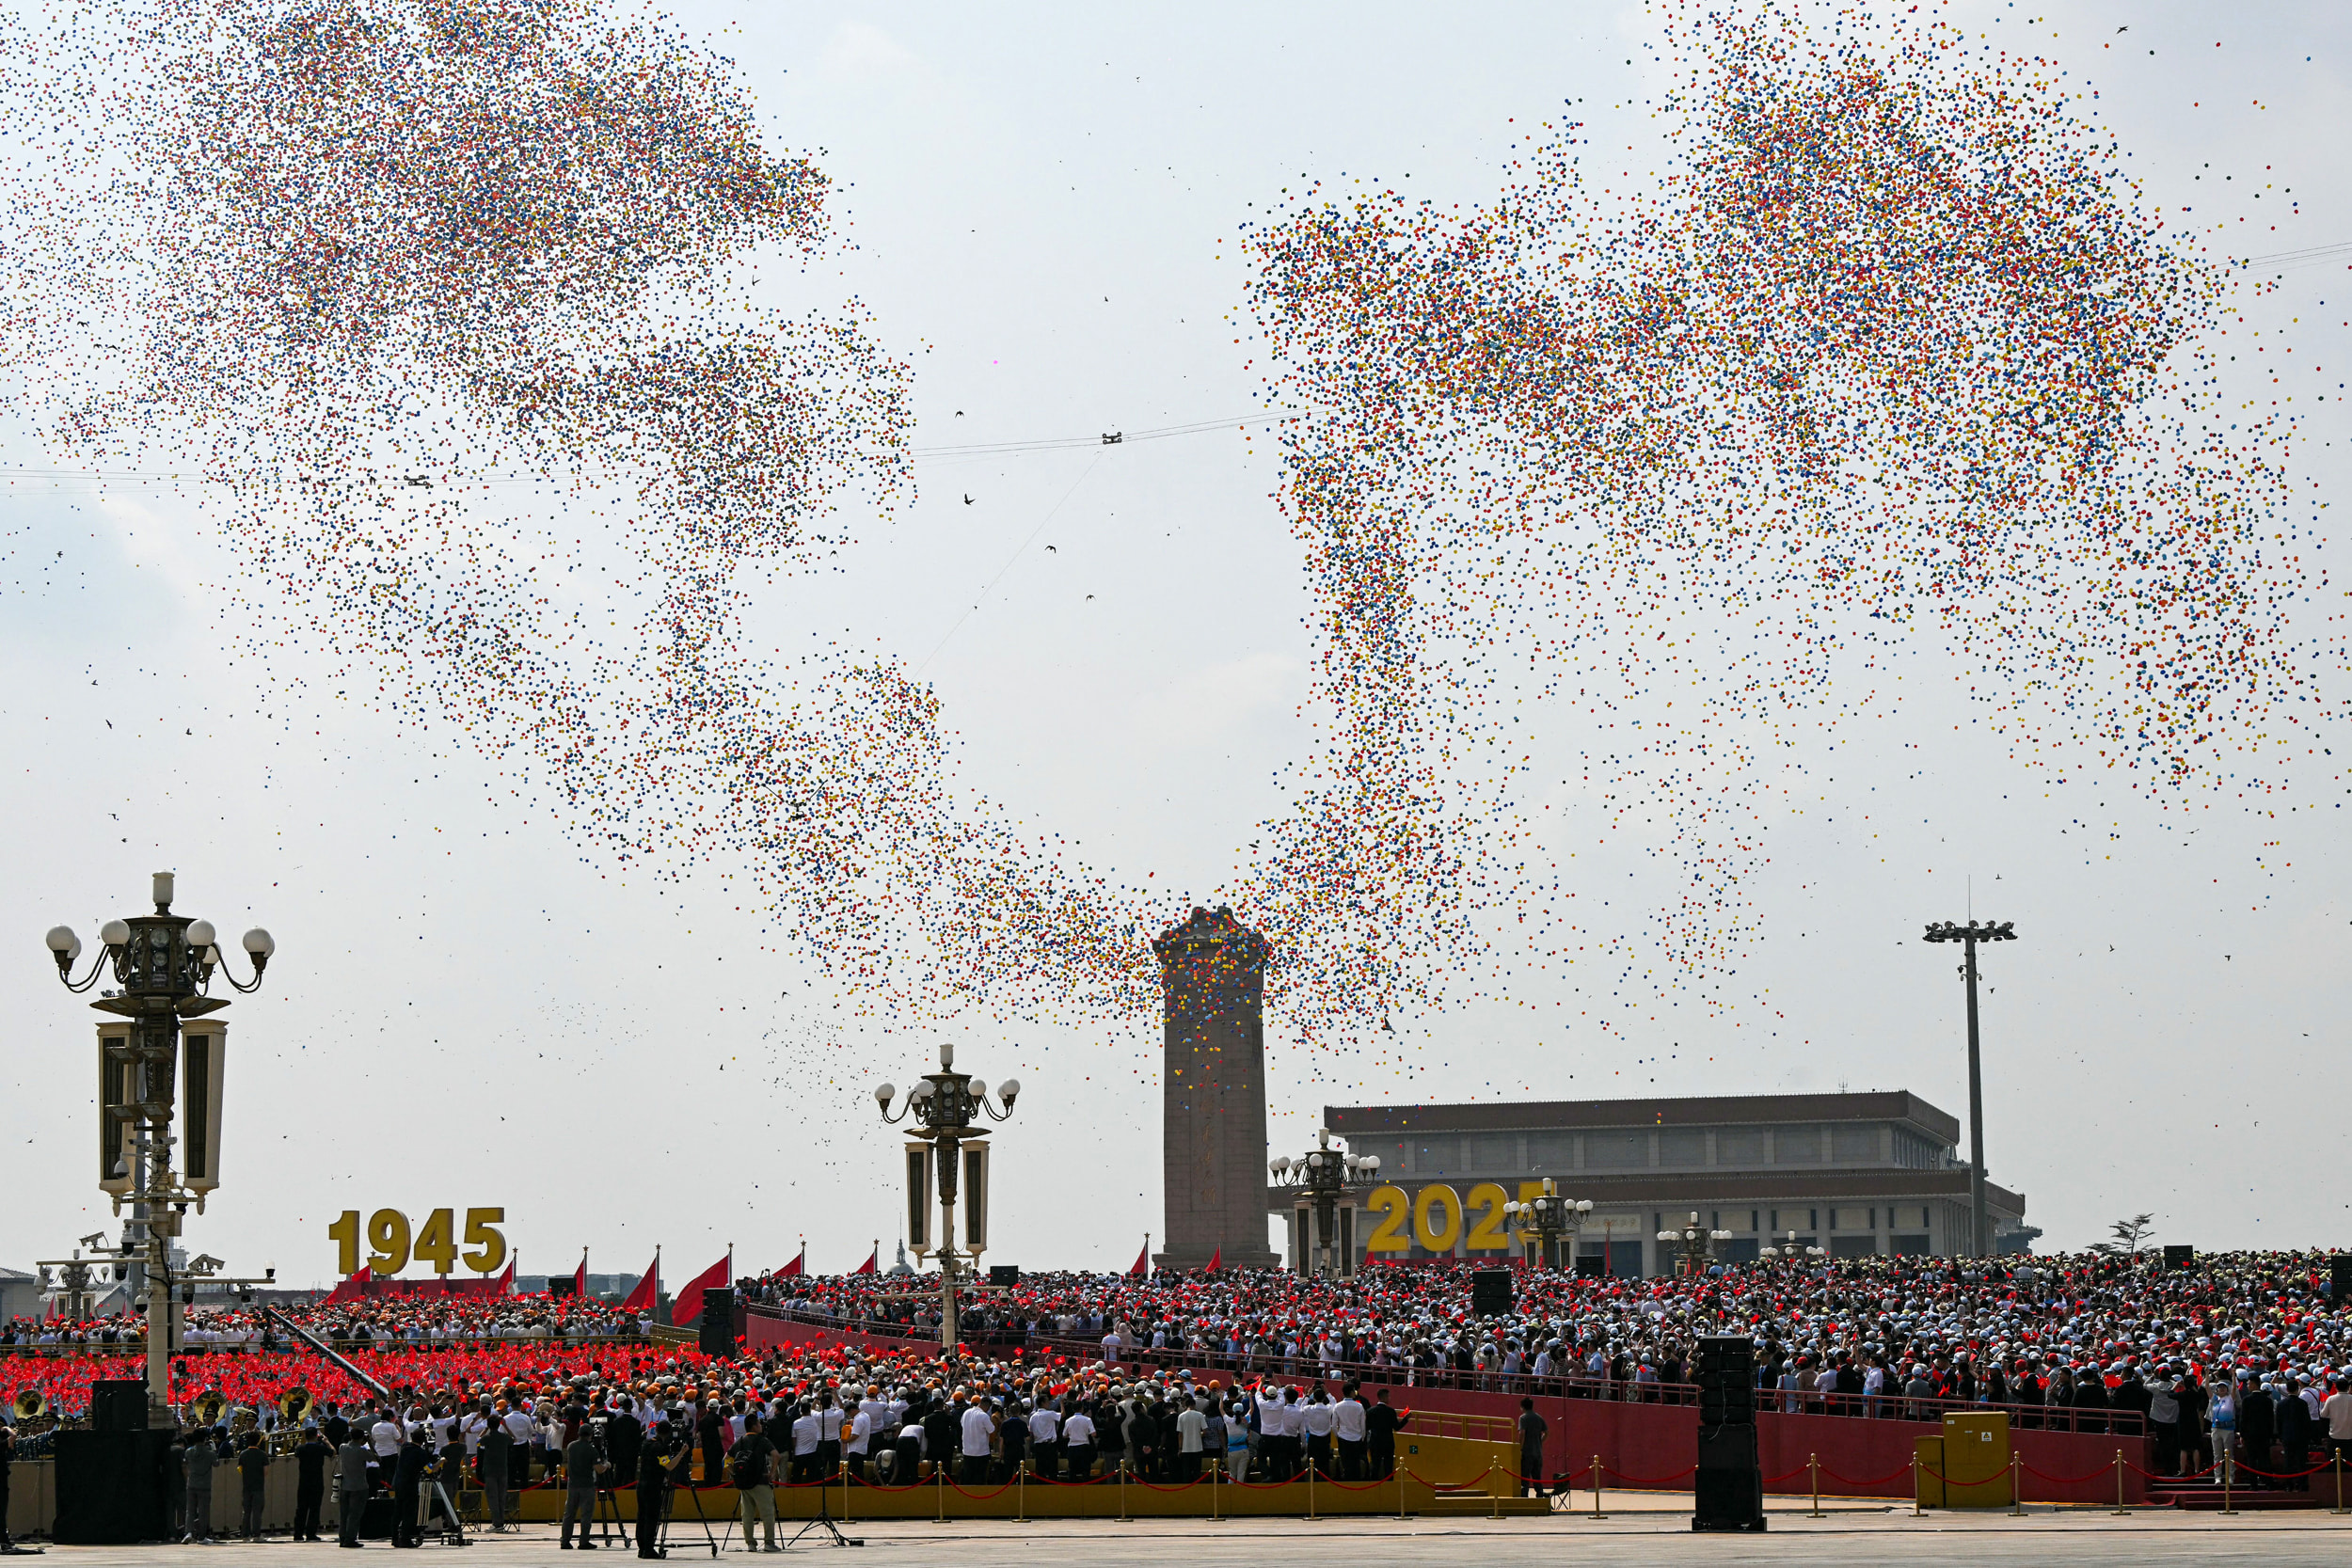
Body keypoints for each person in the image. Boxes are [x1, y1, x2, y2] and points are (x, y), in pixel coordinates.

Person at [635, 1419, 693, 1560]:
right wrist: (681, 1453)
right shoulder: (661, 1448)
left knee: (641, 1516)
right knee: (652, 1517)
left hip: (641, 1485)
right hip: (653, 1487)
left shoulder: (646, 1444)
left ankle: (642, 1547)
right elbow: (669, 1466)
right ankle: (648, 1549)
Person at [731, 1414, 779, 1553]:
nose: (761, 1426)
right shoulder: (762, 1440)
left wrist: (734, 1473)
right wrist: (773, 1472)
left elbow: (726, 1459)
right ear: (754, 1425)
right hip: (761, 1481)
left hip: (744, 1483)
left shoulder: (740, 1441)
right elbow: (776, 1455)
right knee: (768, 1513)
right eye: (759, 1423)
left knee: (747, 1514)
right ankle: (769, 1542)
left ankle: (750, 1543)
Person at [561, 1423, 607, 1548]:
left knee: (569, 1513)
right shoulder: (591, 1450)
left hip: (573, 1485)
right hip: (586, 1485)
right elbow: (599, 1469)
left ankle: (565, 1540)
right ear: (590, 1435)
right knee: (586, 1515)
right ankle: (584, 1541)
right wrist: (606, 1465)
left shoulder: (571, 1446)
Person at [392, 1426, 432, 1548]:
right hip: (410, 1485)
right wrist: (439, 1462)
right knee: (409, 1513)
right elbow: (428, 1469)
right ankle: (405, 1539)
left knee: (398, 1512)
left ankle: (395, 1538)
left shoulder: (405, 1448)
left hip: (399, 1483)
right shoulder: (420, 1452)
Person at [335, 1427, 373, 1549]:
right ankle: (350, 1538)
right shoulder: (362, 1450)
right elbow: (376, 1458)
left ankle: (343, 1538)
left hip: (345, 1485)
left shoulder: (342, 1447)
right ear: (362, 1438)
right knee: (355, 1514)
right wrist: (370, 1443)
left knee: (344, 1514)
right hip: (359, 1486)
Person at [294, 1423, 333, 1541]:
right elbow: (332, 1452)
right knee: (314, 1508)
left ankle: (298, 1534)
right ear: (316, 1436)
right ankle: (311, 1533)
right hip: (316, 1481)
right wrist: (326, 1442)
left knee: (301, 1509)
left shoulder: (301, 1448)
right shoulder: (320, 1447)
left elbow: (296, 1454)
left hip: (303, 1481)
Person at [479, 1407, 515, 1532]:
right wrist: (506, 1426)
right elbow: (513, 1439)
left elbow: (479, 1440)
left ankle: (496, 1523)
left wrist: (486, 1428)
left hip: (490, 1471)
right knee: (501, 1497)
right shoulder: (504, 1437)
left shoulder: (487, 1438)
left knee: (492, 1497)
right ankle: (501, 1522)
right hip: (503, 1470)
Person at [184, 1423, 217, 1543]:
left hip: (191, 1483)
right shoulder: (210, 1453)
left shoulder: (188, 1451)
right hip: (204, 1485)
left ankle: (188, 1532)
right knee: (203, 1512)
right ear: (205, 1439)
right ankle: (201, 1536)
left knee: (190, 1510)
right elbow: (216, 1464)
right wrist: (213, 1449)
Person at [1366, 1388, 1407, 1481]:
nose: (1390, 1398)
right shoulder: (1390, 1411)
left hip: (1375, 1442)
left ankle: (1373, 1486)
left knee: (1375, 1466)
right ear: (1384, 1397)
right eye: (1388, 1396)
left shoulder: (1370, 1411)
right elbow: (1396, 1427)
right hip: (1388, 1443)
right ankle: (1389, 1487)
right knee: (1388, 1468)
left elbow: (1366, 1427)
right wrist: (1406, 1419)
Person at [959, 1397, 996, 1485]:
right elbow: (992, 1430)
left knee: (968, 1478)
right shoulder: (984, 1416)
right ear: (987, 1407)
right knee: (979, 1479)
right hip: (981, 1453)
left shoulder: (966, 1413)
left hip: (967, 1452)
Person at [1332, 1386, 1367, 1481]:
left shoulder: (1337, 1406)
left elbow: (1334, 1425)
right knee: (1356, 1464)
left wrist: (1338, 1436)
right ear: (1352, 1392)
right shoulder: (1359, 1406)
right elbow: (1362, 1425)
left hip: (1343, 1438)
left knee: (1345, 1463)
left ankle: (1345, 1481)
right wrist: (1362, 1437)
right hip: (1356, 1439)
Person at [1517, 1397, 1549, 1497]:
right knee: (1537, 1476)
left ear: (1522, 1407)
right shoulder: (1539, 1417)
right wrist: (1540, 1441)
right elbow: (1547, 1432)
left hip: (1527, 1452)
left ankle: (1524, 1497)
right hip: (1538, 1452)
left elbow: (1522, 1433)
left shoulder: (1523, 1418)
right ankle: (1539, 1496)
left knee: (1525, 1477)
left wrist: (1520, 1448)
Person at [1061, 1402, 1097, 1481]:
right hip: (1084, 1446)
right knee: (1086, 1471)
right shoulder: (1087, 1419)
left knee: (1072, 1471)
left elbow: (1064, 1435)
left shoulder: (1068, 1420)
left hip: (1072, 1447)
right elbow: (1093, 1434)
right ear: (1082, 1408)